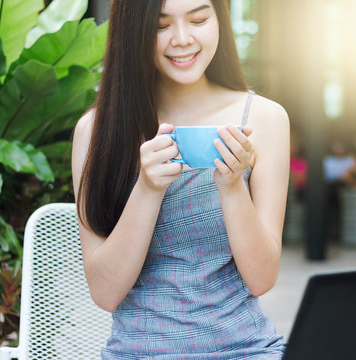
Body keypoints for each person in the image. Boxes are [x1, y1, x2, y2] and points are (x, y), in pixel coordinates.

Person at [71, 0, 289, 358]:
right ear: (134, 32)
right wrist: (148, 188)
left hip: (246, 350)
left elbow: (262, 278)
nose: (183, 39)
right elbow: (105, 293)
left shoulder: (264, 119)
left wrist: (233, 187)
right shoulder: (96, 132)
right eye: (161, 25)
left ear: (220, 18)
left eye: (199, 18)